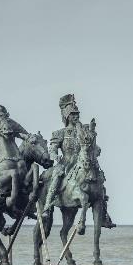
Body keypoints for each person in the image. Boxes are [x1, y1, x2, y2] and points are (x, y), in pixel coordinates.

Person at [43, 94, 115, 228]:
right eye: (73, 114)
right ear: (67, 116)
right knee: (57, 176)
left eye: (77, 113)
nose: (76, 116)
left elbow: (92, 145)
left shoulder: (84, 130)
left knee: (99, 179)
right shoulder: (60, 133)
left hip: (84, 162)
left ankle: (104, 214)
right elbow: (52, 149)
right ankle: (47, 206)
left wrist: (96, 149)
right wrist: (55, 156)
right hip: (66, 163)